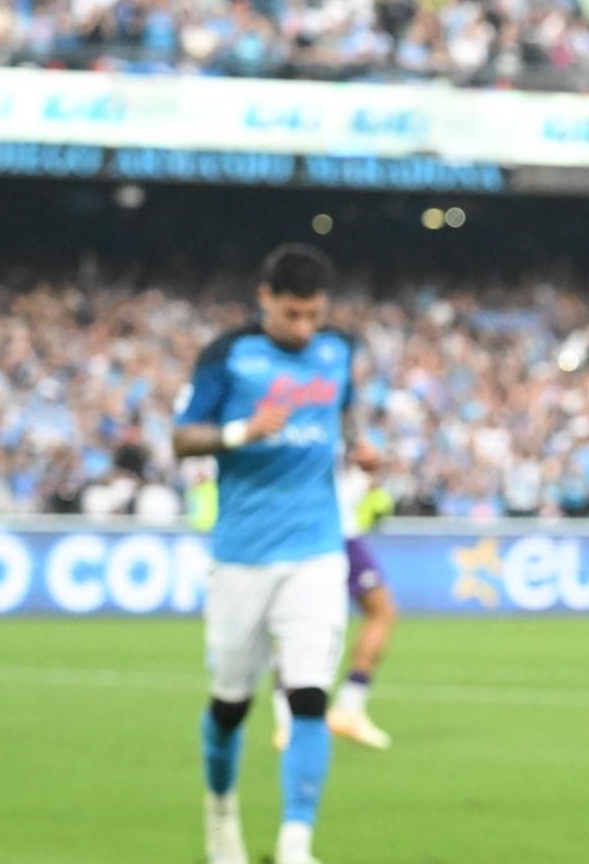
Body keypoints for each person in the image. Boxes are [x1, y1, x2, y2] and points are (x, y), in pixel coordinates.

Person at [175, 244, 376, 864]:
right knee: (231, 704)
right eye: (292, 314)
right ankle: (220, 815)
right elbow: (183, 438)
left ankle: (296, 845)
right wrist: (241, 431)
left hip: (316, 550)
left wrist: (360, 449)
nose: (303, 328)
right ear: (264, 297)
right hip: (241, 554)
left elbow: (344, 420)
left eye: (313, 315)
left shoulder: (339, 350)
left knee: (309, 692)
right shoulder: (228, 355)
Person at [273, 465, 399, 751]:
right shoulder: (318, 421)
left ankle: (344, 710)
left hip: (330, 529)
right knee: (298, 620)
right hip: (324, 531)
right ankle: (294, 720)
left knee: (380, 612)